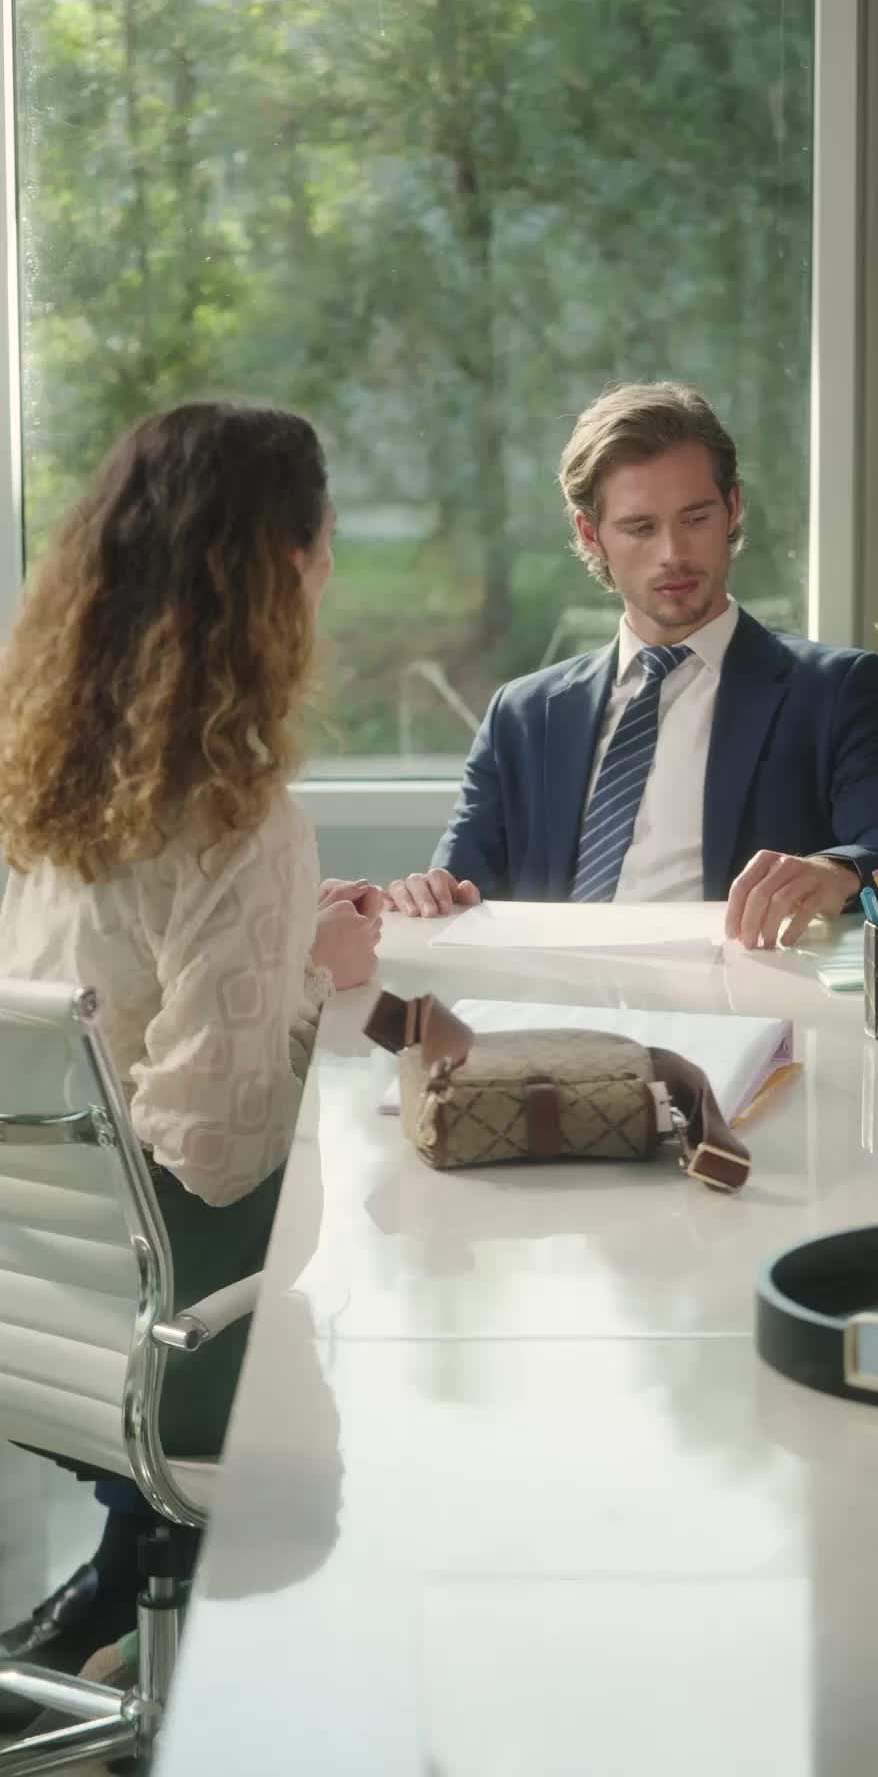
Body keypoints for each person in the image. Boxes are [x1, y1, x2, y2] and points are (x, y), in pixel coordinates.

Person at [0, 401, 381, 1711]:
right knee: (388, 1272)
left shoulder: (42, 781)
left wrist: (278, 956)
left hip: (31, 1301)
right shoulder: (242, 822)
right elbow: (216, 1153)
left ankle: (114, 1594)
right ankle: (219, 1685)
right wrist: (317, 985)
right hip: (170, 1343)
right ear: (289, 566)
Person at [384, 381, 878, 945]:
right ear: (591, 534)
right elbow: (458, 891)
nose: (673, 554)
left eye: (695, 519)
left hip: (734, 992)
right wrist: (426, 893)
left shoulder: (832, 690)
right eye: (640, 528)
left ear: (733, 509)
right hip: (554, 991)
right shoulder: (523, 714)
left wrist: (833, 872)